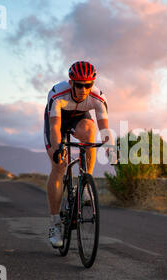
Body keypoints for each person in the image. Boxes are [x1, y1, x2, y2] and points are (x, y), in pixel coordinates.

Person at [44, 61, 112, 248]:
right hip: (57, 120)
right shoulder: (58, 94)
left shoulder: (98, 98)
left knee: (90, 131)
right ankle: (55, 224)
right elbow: (55, 128)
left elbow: (104, 128)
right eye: (79, 85)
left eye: (87, 85)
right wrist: (58, 149)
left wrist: (110, 147)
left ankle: (85, 183)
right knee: (59, 165)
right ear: (71, 82)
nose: (83, 89)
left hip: (80, 119)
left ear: (92, 84)